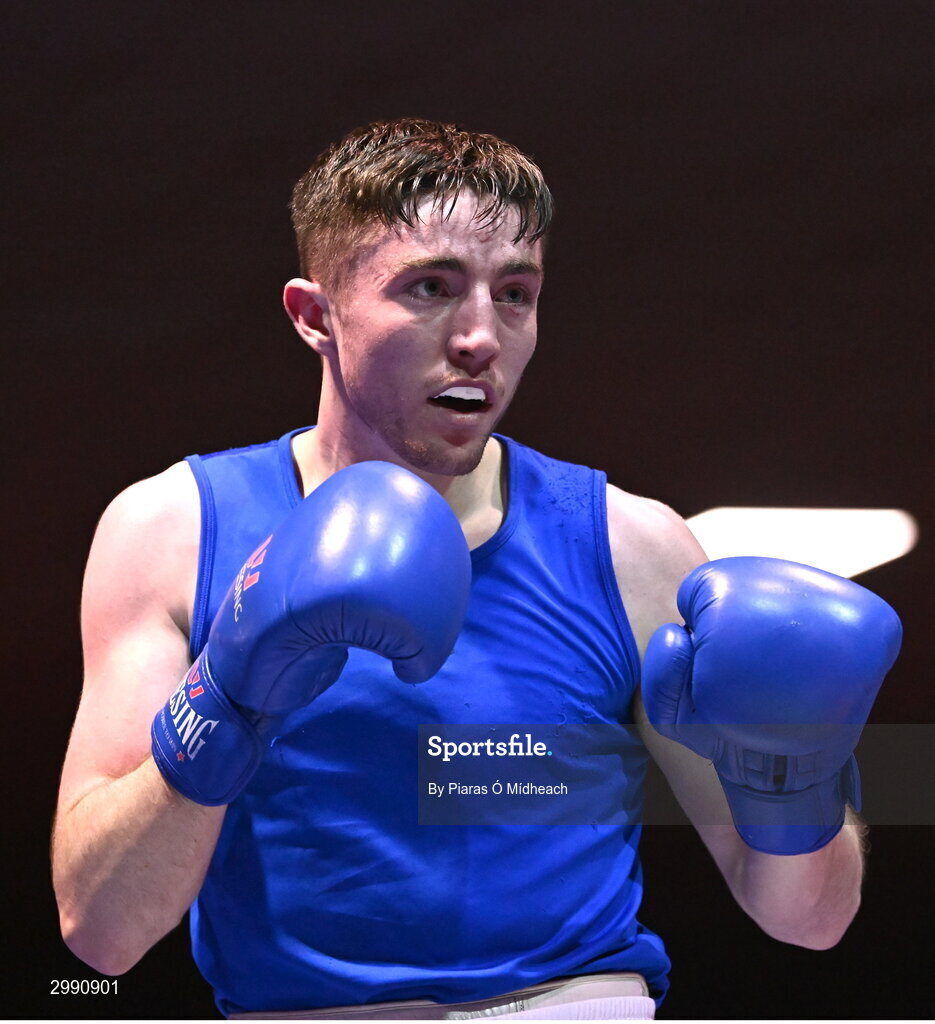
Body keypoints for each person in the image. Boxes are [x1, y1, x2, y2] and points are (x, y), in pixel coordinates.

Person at [52, 118, 902, 1020]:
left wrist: (796, 775)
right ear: (314, 315)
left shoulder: (632, 548)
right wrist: (226, 696)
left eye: (515, 294)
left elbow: (810, 920)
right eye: (431, 287)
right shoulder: (175, 531)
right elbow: (101, 931)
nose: (479, 337)